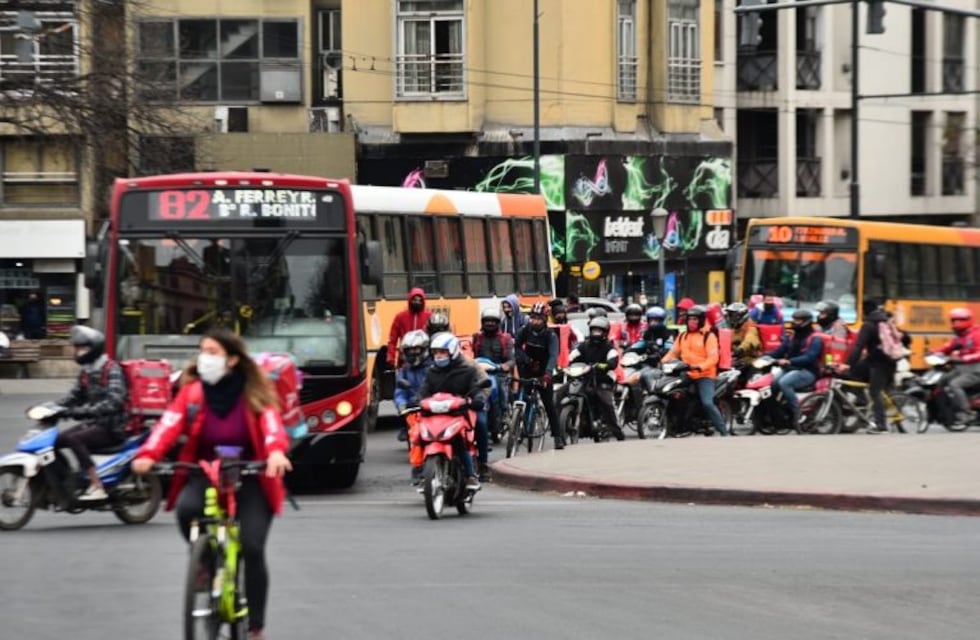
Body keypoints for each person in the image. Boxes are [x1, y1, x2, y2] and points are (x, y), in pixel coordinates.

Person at [131, 328, 292, 640]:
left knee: (253, 546)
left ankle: (256, 627)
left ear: (232, 359)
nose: (205, 358)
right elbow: (168, 425)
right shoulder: (192, 393)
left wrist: (274, 453)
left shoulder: (254, 392)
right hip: (205, 471)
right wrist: (148, 455)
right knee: (185, 512)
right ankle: (204, 561)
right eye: (203, 350)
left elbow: (271, 424)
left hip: (252, 474)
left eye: (213, 352)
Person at [55, 325, 129, 501]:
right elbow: (74, 396)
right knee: (57, 440)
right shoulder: (87, 371)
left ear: (93, 349)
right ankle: (68, 481)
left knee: (74, 438)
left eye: (81, 348)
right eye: (77, 348)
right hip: (96, 424)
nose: (78, 352)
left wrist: (82, 411)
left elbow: (114, 401)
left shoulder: (111, 369)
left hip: (113, 427)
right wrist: (53, 407)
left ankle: (97, 485)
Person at [418, 332, 488, 491]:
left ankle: (472, 474)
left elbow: (476, 389)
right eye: (436, 353)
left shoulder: (467, 370)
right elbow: (423, 391)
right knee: (419, 435)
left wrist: (477, 399)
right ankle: (422, 473)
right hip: (435, 416)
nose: (439, 356)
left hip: (458, 414)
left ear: (452, 351)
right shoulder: (431, 372)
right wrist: (416, 401)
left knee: (465, 436)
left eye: (442, 352)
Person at [662, 306, 729, 436]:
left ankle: (724, 432)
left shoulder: (709, 337)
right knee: (671, 392)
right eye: (690, 319)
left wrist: (700, 366)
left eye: (695, 319)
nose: (692, 322)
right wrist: (662, 363)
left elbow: (713, 358)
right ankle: (679, 427)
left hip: (705, 375)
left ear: (701, 321)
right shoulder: (682, 336)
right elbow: (673, 353)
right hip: (687, 373)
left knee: (707, 403)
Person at [471, 308, 514, 478]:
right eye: (487, 320)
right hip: (479, 373)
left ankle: (501, 416)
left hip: (498, 374)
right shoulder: (477, 338)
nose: (490, 323)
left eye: (493, 321)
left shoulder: (505, 339)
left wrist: (504, 366)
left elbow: (511, 359)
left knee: (501, 393)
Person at [515, 302, 563, 449]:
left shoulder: (551, 336)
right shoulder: (525, 330)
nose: (535, 321)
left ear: (545, 319)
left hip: (544, 372)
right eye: (533, 318)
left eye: (538, 318)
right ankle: (519, 427)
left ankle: (557, 436)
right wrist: (526, 360)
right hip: (529, 368)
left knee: (549, 404)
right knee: (523, 397)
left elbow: (553, 356)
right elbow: (516, 347)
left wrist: (548, 373)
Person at [569, 316, 624, 440]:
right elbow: (572, 356)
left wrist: (603, 365)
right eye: (594, 330)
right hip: (585, 378)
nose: (596, 333)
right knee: (565, 392)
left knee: (607, 402)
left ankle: (618, 431)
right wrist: (564, 364)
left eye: (599, 331)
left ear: (605, 333)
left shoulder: (609, 347)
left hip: (604, 379)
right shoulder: (584, 345)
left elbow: (613, 361)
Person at [766, 309, 823, 427]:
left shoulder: (815, 338)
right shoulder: (792, 337)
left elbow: (809, 357)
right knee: (772, 383)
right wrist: (764, 357)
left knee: (784, 383)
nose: (794, 323)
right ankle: (776, 415)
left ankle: (798, 413)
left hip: (807, 371)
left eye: (798, 320)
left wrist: (789, 361)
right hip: (790, 369)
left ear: (806, 322)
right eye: (793, 320)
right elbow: (778, 351)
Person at [394, 330, 431, 483]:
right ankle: (418, 467)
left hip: (433, 407)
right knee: (416, 435)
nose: (412, 353)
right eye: (409, 350)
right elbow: (399, 391)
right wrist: (402, 405)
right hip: (414, 410)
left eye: (416, 349)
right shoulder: (404, 371)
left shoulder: (433, 367)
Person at [931, 307, 980, 424]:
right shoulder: (959, 337)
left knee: (955, 384)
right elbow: (946, 348)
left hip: (975, 369)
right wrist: (933, 352)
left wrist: (965, 358)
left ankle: (967, 412)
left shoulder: (976, 335)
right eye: (954, 321)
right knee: (942, 380)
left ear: (967, 320)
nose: (956, 323)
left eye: (959, 320)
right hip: (961, 368)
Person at [386, 287, 432, 367]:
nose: (417, 302)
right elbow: (392, 340)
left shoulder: (429, 317)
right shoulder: (400, 317)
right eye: (415, 300)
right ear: (410, 300)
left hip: (424, 360)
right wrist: (391, 358)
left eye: (420, 300)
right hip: (405, 359)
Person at [725, 302, 762, 370]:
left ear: (741, 316)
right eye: (729, 315)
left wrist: (740, 349)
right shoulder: (734, 329)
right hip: (736, 360)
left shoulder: (751, 327)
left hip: (750, 360)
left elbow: (749, 340)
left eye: (732, 315)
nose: (730, 318)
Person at [815, 300, 852, 368]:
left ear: (831, 314)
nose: (819, 316)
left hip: (831, 362)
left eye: (822, 314)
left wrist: (833, 365)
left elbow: (839, 348)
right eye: (819, 313)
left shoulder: (839, 327)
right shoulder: (822, 325)